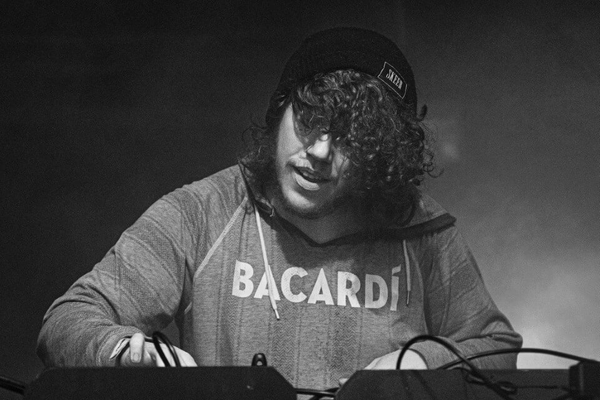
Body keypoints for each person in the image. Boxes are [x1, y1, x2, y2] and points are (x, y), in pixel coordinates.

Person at [37, 27, 522, 390]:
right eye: (310, 119)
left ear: (382, 154)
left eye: (351, 138)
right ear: (281, 109)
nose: (320, 152)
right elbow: (67, 320)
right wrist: (123, 354)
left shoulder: (422, 232)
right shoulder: (202, 213)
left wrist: (420, 363)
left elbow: (496, 348)